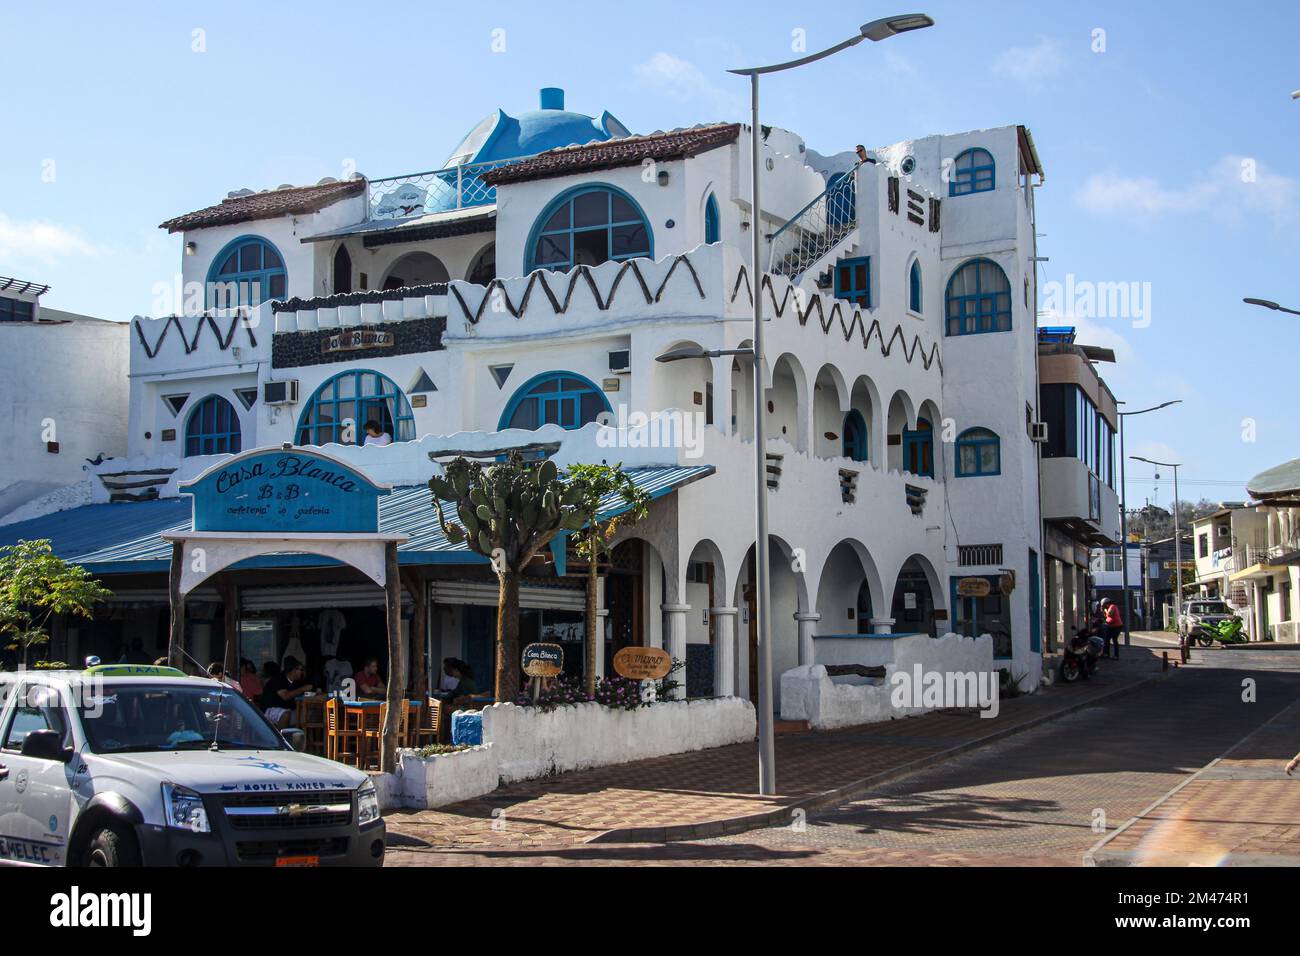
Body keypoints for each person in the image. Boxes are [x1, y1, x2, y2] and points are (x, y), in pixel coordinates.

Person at [261, 656, 313, 728]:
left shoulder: (297, 682)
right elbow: (285, 696)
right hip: (271, 709)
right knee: (286, 714)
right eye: (301, 669)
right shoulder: (279, 679)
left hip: (288, 709)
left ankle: (302, 738)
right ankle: (281, 738)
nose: (302, 672)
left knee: (310, 713)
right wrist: (303, 689)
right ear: (293, 670)